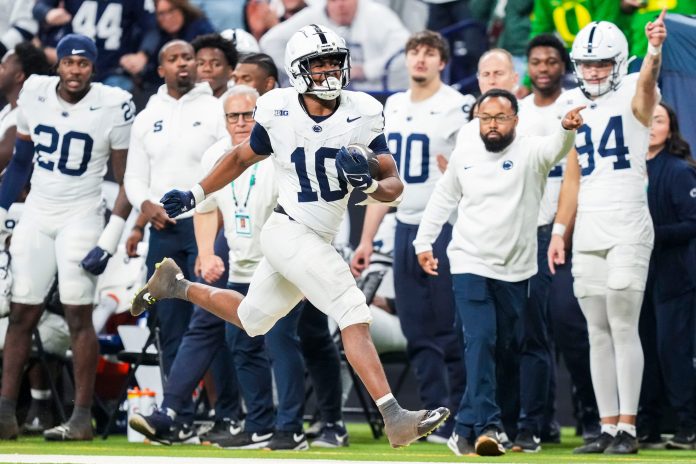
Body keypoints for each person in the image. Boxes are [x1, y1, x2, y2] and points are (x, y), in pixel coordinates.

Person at [132, 24, 449, 449]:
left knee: (251, 318)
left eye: (334, 62)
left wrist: (369, 184)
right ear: (298, 70)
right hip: (287, 230)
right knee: (352, 308)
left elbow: (393, 183)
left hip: (317, 235)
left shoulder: (363, 110)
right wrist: (195, 192)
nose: (330, 71)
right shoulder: (277, 107)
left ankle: (176, 285)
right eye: (319, 64)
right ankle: (394, 415)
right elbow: (243, 155)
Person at [414, 88, 583, 457]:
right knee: (481, 340)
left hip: (517, 269)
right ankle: (489, 424)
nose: (492, 125)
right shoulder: (466, 151)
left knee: (504, 348)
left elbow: (555, 147)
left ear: (515, 121)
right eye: (485, 118)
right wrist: (423, 243)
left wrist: (567, 130)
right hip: (469, 262)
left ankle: (464, 426)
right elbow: (444, 196)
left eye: (500, 118)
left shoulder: (530, 150)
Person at [0, 33, 135, 441]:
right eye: (68, 63)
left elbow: (127, 179)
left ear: (93, 67)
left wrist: (109, 238)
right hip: (38, 213)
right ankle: (6, 412)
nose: (75, 71)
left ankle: (80, 417)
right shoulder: (35, 92)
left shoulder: (113, 104)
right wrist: (3, 210)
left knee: (78, 316)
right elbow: (22, 159)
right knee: (22, 314)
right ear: (57, 64)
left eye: (83, 64)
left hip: (81, 216)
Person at [547, 13, 668, 454]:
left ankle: (629, 428)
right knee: (596, 329)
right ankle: (607, 426)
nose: (594, 71)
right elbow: (573, 177)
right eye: (587, 63)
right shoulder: (572, 107)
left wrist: (654, 50)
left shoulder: (636, 92)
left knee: (621, 324)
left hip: (628, 221)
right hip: (590, 225)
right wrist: (560, 230)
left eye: (602, 64)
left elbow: (647, 86)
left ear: (619, 63)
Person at [351, 30, 472, 445]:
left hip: (443, 228)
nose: (420, 59)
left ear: (442, 61)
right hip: (403, 227)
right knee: (417, 330)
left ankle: (462, 414)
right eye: (414, 52)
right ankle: (433, 414)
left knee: (450, 330)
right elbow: (385, 182)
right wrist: (367, 240)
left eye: (429, 53)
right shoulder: (394, 105)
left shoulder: (458, 106)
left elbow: (470, 172)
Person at [123, 39, 225, 379]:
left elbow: (226, 167)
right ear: (160, 69)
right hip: (163, 229)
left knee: (211, 316)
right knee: (169, 322)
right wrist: (147, 206)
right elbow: (134, 178)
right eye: (173, 58)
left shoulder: (215, 109)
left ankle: (223, 413)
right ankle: (177, 411)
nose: (182, 63)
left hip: (205, 225)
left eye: (188, 57)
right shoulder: (147, 116)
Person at [509, 33, 568, 452]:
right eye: (536, 61)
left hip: (560, 231)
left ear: (564, 65)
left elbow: (578, 176)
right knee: (525, 333)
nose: (543, 68)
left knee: (567, 331)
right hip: (517, 235)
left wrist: (564, 228)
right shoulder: (519, 112)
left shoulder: (576, 107)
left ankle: (571, 419)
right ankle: (534, 422)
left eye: (551, 61)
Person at [639, 102, 696, 450]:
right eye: (646, 119)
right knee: (641, 351)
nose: (651, 126)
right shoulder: (627, 170)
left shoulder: (678, 171)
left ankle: (687, 425)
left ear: (670, 128)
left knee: (673, 351)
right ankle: (646, 425)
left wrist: (650, 234)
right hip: (635, 276)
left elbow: (692, 222)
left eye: (658, 120)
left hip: (673, 278)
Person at [259, 0, 410, 91]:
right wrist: (304, 69)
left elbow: (406, 49)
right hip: (328, 94)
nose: (340, 6)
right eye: (334, 0)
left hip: (378, 93)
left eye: (345, 0)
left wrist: (367, 70)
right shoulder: (312, 16)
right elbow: (270, 42)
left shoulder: (377, 15)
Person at [32, 0, 159, 90]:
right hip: (72, 65)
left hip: (112, 70)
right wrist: (47, 13)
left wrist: (142, 55)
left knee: (117, 100)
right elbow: (39, 7)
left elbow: (151, 28)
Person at [0, 42, 51, 173]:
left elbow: (4, 154)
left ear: (19, 76)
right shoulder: (7, 110)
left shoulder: (26, 113)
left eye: (3, 67)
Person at [193, 33, 238, 98]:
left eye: (216, 64)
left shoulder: (240, 102)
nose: (207, 69)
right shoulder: (183, 103)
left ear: (230, 71)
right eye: (201, 64)